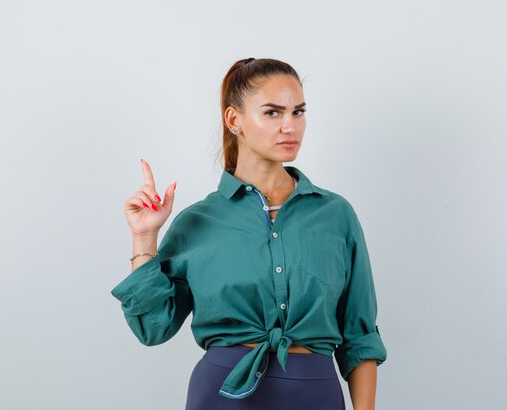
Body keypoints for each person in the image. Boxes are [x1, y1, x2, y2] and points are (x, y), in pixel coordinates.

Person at [111, 57, 388, 410]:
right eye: (273, 113)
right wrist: (144, 238)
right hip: (222, 394)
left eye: (298, 112)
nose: (290, 126)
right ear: (234, 120)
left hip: (315, 395)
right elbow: (153, 328)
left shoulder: (335, 215)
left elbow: (360, 336)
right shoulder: (198, 221)